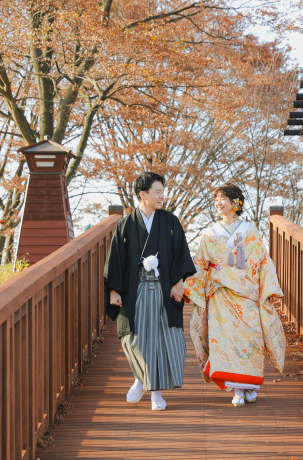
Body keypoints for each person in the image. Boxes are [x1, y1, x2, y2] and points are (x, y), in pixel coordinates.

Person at [184, 183, 286, 406]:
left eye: (223, 199)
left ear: (236, 203)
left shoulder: (250, 231)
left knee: (250, 338)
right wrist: (188, 289)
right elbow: (200, 263)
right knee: (225, 341)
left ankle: (249, 385)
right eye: (216, 199)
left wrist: (267, 289)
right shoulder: (209, 233)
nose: (218, 203)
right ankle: (236, 389)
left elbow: (262, 261)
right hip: (220, 294)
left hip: (246, 292)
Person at [104, 172, 196, 411]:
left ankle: (154, 393)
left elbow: (180, 254)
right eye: (157, 191)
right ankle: (141, 379)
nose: (162, 196)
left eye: (163, 191)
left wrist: (179, 283)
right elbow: (115, 259)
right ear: (143, 195)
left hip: (164, 289)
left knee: (164, 339)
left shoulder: (170, 222)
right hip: (137, 290)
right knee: (135, 338)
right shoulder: (125, 224)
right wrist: (114, 290)